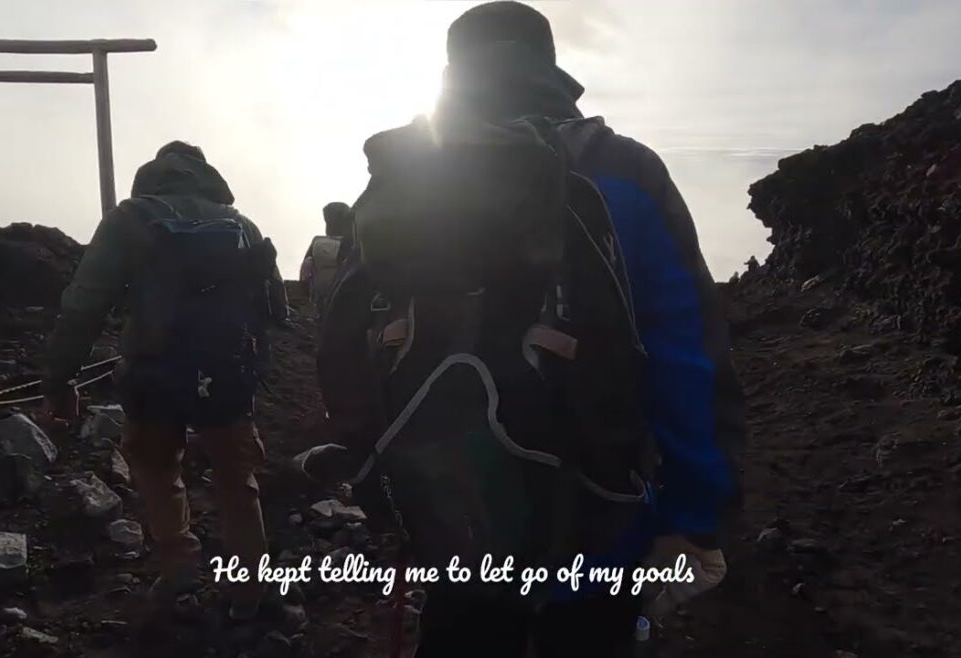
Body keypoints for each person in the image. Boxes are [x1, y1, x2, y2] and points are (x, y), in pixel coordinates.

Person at [310, 3, 746, 656]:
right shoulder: (621, 170)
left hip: (446, 520)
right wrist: (697, 518)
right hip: (598, 523)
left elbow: (341, 344)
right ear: (549, 66)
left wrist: (380, 478)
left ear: (452, 72)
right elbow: (687, 357)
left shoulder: (400, 178)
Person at [39, 141, 281, 620]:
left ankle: (179, 569)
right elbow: (275, 309)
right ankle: (252, 587)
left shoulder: (130, 218)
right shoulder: (242, 224)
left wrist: (59, 380)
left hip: (153, 372)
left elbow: (84, 305)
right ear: (205, 173)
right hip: (227, 373)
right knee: (237, 478)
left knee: (156, 469)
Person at [300, 201, 353, 316]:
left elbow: (304, 274)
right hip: (347, 296)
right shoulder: (355, 244)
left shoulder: (317, 242)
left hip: (321, 296)